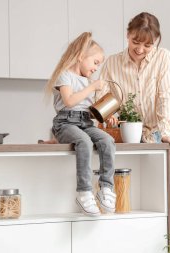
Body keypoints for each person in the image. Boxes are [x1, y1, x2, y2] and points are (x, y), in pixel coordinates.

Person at [99, 12, 170, 248]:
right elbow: (105, 99)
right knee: (155, 207)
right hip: (136, 136)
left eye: (148, 45)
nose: (140, 49)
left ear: (157, 42)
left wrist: (166, 132)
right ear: (127, 35)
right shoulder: (112, 63)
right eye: (135, 42)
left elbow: (166, 98)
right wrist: (111, 116)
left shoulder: (164, 58)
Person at [45, 32, 116, 217]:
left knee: (107, 140)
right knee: (84, 141)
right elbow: (69, 101)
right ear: (81, 56)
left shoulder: (86, 81)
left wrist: (107, 117)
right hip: (65, 122)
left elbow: (87, 108)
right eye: (95, 62)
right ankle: (84, 192)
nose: (96, 68)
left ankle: (106, 188)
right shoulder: (65, 76)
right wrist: (91, 87)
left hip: (85, 121)